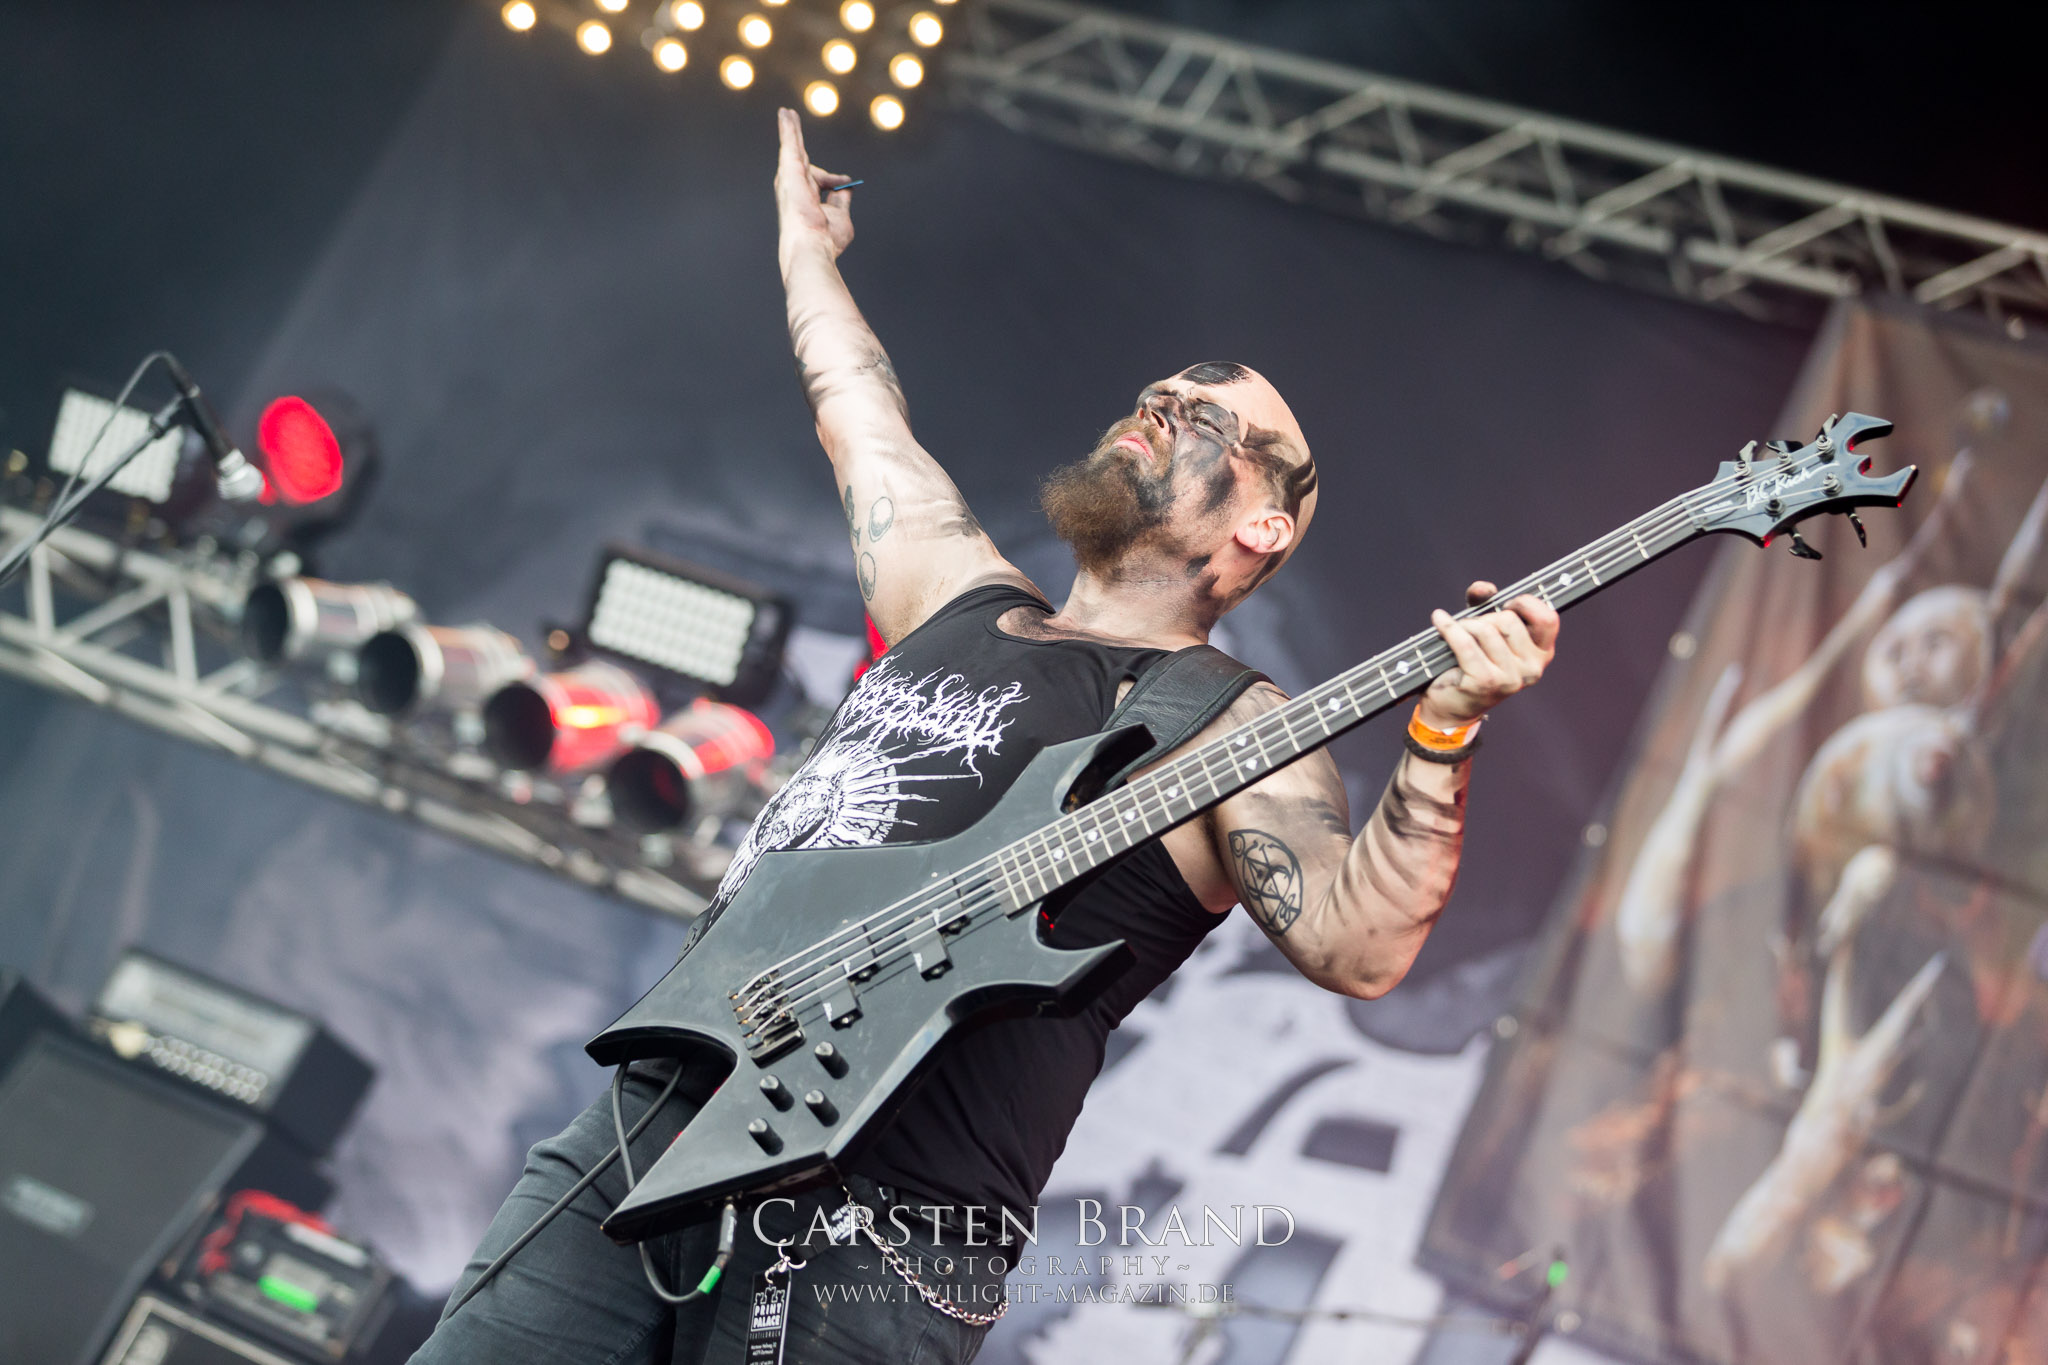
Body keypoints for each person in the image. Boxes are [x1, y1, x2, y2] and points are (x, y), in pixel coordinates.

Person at [412, 108, 1559, 1365]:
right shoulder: (957, 595)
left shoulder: (1233, 725)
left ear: (1262, 528)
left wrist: (1443, 732)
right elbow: (858, 414)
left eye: (1199, 421)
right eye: (1154, 395)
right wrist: (805, 252)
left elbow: (1357, 945)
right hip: (658, 1115)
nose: (1155, 409)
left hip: (882, 1234)